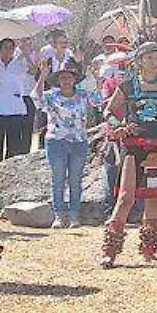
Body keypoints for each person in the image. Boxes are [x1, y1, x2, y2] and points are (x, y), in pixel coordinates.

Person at [100, 43, 157, 266]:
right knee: (126, 197)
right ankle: (110, 250)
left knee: (153, 199)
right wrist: (118, 124)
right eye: (150, 57)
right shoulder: (127, 86)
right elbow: (107, 111)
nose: (155, 61)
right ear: (139, 61)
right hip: (133, 148)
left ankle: (149, 249)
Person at [39, 64, 93, 229]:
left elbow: (99, 100)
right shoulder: (50, 96)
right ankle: (59, 215)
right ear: (57, 80)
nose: (66, 80)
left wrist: (96, 77)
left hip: (79, 141)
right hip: (56, 141)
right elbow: (35, 98)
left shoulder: (83, 95)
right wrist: (42, 76)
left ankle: (74, 214)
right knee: (58, 179)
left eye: (69, 77)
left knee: (75, 179)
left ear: (75, 79)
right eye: (62, 77)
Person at [0, 38, 36, 159]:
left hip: (15, 108)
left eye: (10, 47)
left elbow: (34, 71)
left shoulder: (19, 63)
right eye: (5, 47)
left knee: (14, 144)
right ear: (0, 49)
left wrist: (26, 55)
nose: (8, 50)